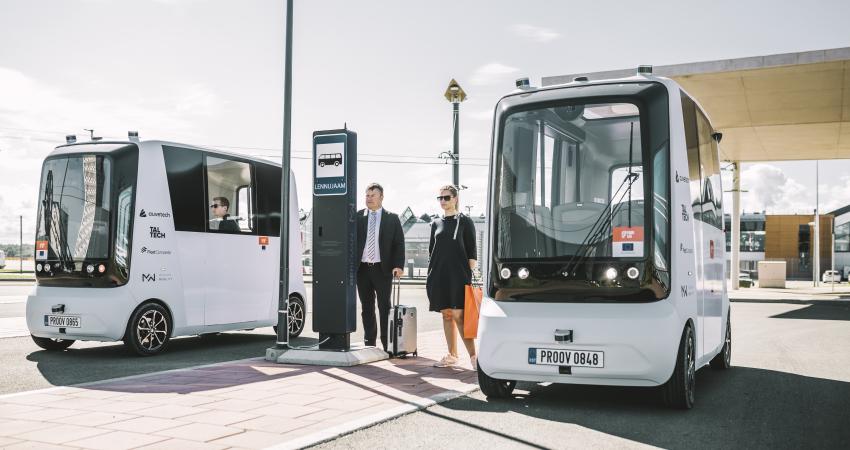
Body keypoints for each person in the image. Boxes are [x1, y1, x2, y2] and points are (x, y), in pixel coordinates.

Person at [426, 185, 477, 369]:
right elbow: (432, 251)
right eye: (440, 198)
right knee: (446, 314)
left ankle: (473, 357)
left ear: (455, 198)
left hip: (459, 274)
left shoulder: (465, 221)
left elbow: (472, 252)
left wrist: (467, 276)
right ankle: (452, 355)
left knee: (458, 315)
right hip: (439, 274)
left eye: (446, 197)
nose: (443, 201)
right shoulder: (435, 223)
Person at [356, 183, 405, 351]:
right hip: (361, 269)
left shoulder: (392, 218)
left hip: (382, 269)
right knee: (366, 308)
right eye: (367, 195)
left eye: (372, 195)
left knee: (384, 307)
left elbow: (399, 244)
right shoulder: (357, 217)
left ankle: (387, 344)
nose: (368, 198)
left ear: (381, 197)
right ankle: (369, 343)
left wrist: (398, 265)